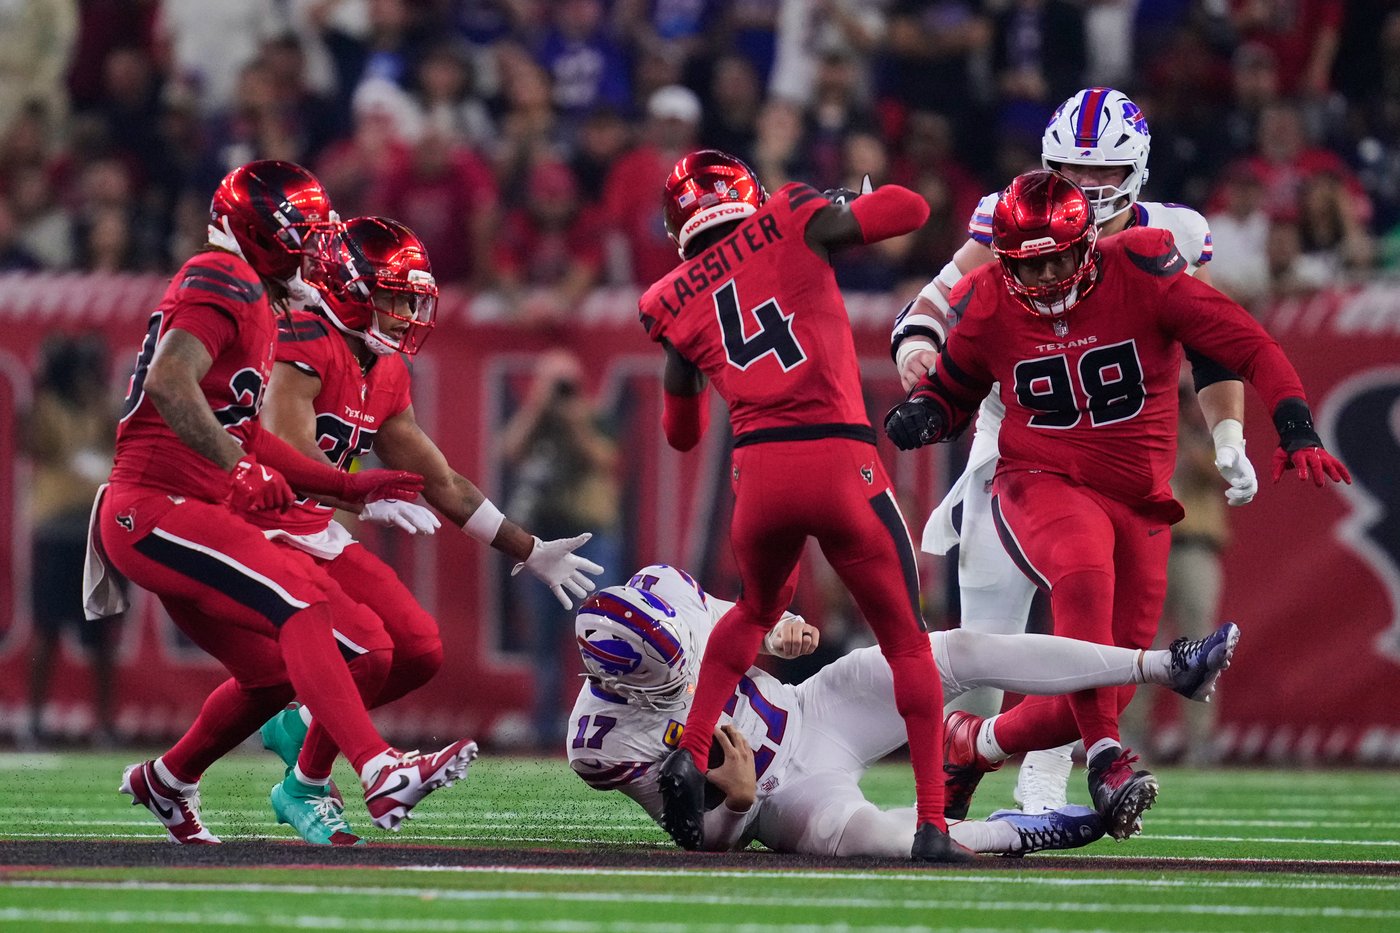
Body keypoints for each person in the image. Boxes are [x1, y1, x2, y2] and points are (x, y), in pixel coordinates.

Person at [884, 169, 1350, 839]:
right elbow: (955, 389)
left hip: (1138, 497)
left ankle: (975, 743)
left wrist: (1295, 422)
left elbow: (1244, 343)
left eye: (1058, 258)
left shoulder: (1145, 265)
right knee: (1081, 568)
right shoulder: (989, 297)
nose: (1044, 277)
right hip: (1039, 476)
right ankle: (1107, 758)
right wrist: (926, 412)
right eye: (1028, 263)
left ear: (1090, 244)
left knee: (1109, 679)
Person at [888, 87, 1258, 817]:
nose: (1086, 193)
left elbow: (1215, 347)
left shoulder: (1171, 237)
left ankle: (1004, 756)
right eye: (1072, 172)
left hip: (1121, 460)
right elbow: (935, 296)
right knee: (990, 643)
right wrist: (920, 341)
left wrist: (1227, 432)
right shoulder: (1015, 214)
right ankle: (959, 776)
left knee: (1108, 664)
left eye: (1103, 178)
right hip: (1020, 439)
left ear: (1138, 172)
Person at [95, 160, 476, 844]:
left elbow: (245, 431)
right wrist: (238, 469)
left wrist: (347, 484)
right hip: (157, 501)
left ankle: (167, 778)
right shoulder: (224, 274)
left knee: (274, 675)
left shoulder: (258, 296)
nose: (317, 248)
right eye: (305, 233)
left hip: (179, 504)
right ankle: (379, 768)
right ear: (263, 234)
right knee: (310, 605)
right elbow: (170, 381)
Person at [637, 149, 965, 862]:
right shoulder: (789, 215)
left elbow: (682, 434)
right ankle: (933, 823)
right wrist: (840, 199)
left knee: (755, 610)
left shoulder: (670, 298)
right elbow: (911, 208)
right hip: (839, 456)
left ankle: (690, 754)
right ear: (745, 195)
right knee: (907, 641)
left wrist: (690, 359)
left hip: (760, 474)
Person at [249, 216, 603, 844]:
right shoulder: (301, 341)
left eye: (410, 297)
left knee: (417, 650)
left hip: (315, 529)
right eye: (393, 295)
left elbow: (439, 479)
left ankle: (279, 740)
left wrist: (529, 549)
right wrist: (359, 494)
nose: (407, 311)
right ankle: (320, 777)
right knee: (367, 650)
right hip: (255, 526)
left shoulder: (383, 370)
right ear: (350, 288)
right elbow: (290, 458)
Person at [569, 564, 1239, 858]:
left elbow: (742, 622)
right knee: (891, 839)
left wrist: (776, 633)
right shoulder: (600, 741)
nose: (690, 679)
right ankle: (1028, 830)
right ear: (618, 684)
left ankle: (1163, 664)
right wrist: (740, 802)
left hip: (814, 708)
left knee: (956, 650)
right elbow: (701, 837)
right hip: (784, 796)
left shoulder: (668, 590)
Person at [500, 348, 620, 750]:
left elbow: (606, 459)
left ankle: (604, 726)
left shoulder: (594, 416)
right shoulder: (535, 423)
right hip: (543, 542)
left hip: (590, 539)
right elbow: (510, 450)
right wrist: (537, 407)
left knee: (602, 636)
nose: (562, 394)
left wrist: (575, 424)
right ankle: (545, 729)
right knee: (545, 640)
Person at [24, 334, 121, 748]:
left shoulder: (103, 406)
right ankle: (35, 723)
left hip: (98, 530)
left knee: (103, 632)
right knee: (47, 629)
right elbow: (33, 443)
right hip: (57, 529)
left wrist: (96, 401)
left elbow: (119, 435)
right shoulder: (45, 408)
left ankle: (103, 725)